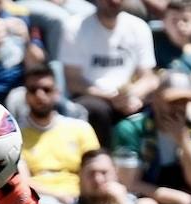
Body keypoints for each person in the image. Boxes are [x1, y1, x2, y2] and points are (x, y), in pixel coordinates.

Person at [112, 70, 191, 204]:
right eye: (172, 101)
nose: (178, 108)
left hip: (188, 195)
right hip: (145, 197)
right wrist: (176, 198)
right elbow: (129, 184)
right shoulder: (131, 129)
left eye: (183, 101)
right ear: (156, 99)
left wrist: (184, 142)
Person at [61, 0, 158, 146]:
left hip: (128, 95)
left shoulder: (138, 27)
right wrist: (111, 97)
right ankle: (101, 158)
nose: (114, 2)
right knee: (96, 110)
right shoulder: (75, 26)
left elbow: (149, 78)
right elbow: (73, 81)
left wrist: (132, 95)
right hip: (91, 95)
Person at [18, 64, 100, 204]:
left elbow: (96, 170)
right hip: (40, 203)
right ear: (26, 96)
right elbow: (22, 182)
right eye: (33, 90)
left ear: (57, 93)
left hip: (82, 200)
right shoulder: (15, 137)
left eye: (46, 89)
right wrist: (58, 196)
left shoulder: (80, 128)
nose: (40, 95)